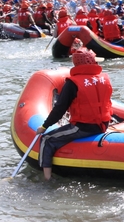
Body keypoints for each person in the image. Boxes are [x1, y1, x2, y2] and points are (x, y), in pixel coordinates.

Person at [35, 50, 114, 182]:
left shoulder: (72, 83)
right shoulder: (104, 78)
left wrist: (44, 126)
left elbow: (60, 109)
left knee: (47, 139)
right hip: (103, 124)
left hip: (83, 127)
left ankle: (47, 179)